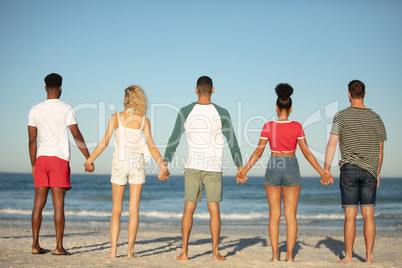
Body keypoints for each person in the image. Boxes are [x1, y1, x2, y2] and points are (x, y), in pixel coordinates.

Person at [236, 83, 332, 262]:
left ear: (276, 108)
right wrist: (323, 172)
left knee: (274, 215)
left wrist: (243, 171)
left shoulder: (268, 126)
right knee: (290, 216)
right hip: (291, 165)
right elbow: (307, 153)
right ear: (291, 109)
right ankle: (289, 256)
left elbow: (258, 152)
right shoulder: (297, 127)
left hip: (273, 164)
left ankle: (274, 256)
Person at [163, 76, 244, 261]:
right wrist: (240, 167)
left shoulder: (185, 111)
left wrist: (164, 164)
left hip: (192, 165)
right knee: (213, 208)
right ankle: (215, 253)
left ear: (196, 89)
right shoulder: (222, 112)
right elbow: (232, 141)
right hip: (213, 167)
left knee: (189, 208)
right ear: (213, 90)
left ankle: (184, 252)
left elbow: (173, 140)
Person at [84, 85, 169, 259]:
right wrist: (162, 166)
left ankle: (114, 251)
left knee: (116, 210)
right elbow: (151, 146)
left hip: (119, 163)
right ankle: (130, 252)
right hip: (137, 163)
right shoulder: (144, 120)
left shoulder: (116, 118)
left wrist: (89, 160)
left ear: (125, 99)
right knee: (134, 210)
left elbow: (104, 142)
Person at [28, 73, 94, 255]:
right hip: (59, 159)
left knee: (38, 204)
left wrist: (33, 164)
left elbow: (32, 140)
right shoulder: (66, 108)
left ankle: (35, 245)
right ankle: (58, 247)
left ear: (44, 88)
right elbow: (76, 134)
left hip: (42, 159)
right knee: (58, 205)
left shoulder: (34, 109)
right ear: (60, 88)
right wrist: (88, 157)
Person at [324, 80, 386, 264]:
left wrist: (326, 169)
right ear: (365, 94)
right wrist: (378, 173)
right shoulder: (376, 118)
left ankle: (349, 258)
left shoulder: (341, 116)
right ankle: (368, 257)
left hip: (349, 169)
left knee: (350, 215)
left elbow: (332, 144)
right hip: (370, 171)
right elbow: (380, 150)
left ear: (349, 94)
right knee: (369, 215)